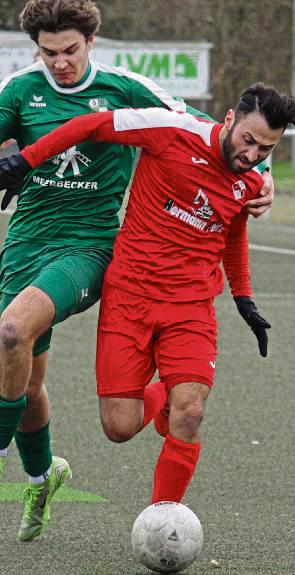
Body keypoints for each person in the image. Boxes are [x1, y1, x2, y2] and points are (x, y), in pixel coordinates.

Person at [0, 1, 273, 543]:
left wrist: (262, 175)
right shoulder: (19, 92)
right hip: (23, 243)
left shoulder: (127, 87)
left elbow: (209, 133)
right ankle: (42, 474)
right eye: (48, 53)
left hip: (89, 247)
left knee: (11, 331)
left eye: (70, 51)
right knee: (26, 382)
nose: (59, 63)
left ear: (91, 42)